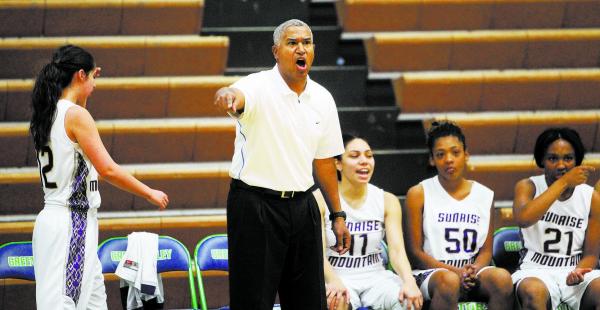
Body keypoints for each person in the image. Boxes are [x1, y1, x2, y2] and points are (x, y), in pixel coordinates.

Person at [213, 19, 351, 310]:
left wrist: (338, 214)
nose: (301, 49)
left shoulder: (323, 98)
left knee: (309, 302)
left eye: (307, 42)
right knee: (253, 301)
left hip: (303, 207)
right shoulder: (257, 85)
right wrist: (227, 95)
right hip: (255, 206)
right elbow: (236, 95)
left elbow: (324, 160)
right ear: (276, 51)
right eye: (292, 43)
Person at [29, 45, 169, 309]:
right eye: (93, 77)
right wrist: (149, 192)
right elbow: (107, 170)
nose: (95, 83)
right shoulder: (77, 116)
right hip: (73, 223)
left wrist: (84, 92)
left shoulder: (49, 111)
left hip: (56, 220)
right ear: (81, 75)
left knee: (94, 303)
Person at [403, 121, 514, 310]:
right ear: (432, 160)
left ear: (466, 155)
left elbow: (486, 251)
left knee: (502, 279)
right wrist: (456, 272)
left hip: (470, 273)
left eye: (455, 152)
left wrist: (473, 270)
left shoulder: (485, 194)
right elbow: (415, 254)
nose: (448, 159)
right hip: (431, 275)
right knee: (449, 281)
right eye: (440, 154)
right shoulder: (418, 193)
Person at [315, 134, 423, 310]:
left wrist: (409, 281)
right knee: (336, 302)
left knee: (409, 302)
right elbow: (317, 255)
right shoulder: (320, 200)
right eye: (354, 155)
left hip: (376, 277)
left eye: (369, 155)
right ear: (338, 163)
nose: (364, 161)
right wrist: (333, 281)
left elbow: (396, 252)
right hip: (338, 277)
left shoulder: (387, 200)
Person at [512, 127, 600, 310]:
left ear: (577, 161)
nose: (561, 165)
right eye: (553, 158)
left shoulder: (590, 197)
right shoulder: (528, 186)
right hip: (535, 270)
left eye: (568, 158)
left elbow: (591, 254)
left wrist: (579, 272)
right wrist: (564, 182)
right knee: (533, 292)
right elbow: (524, 218)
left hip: (574, 270)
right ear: (542, 160)